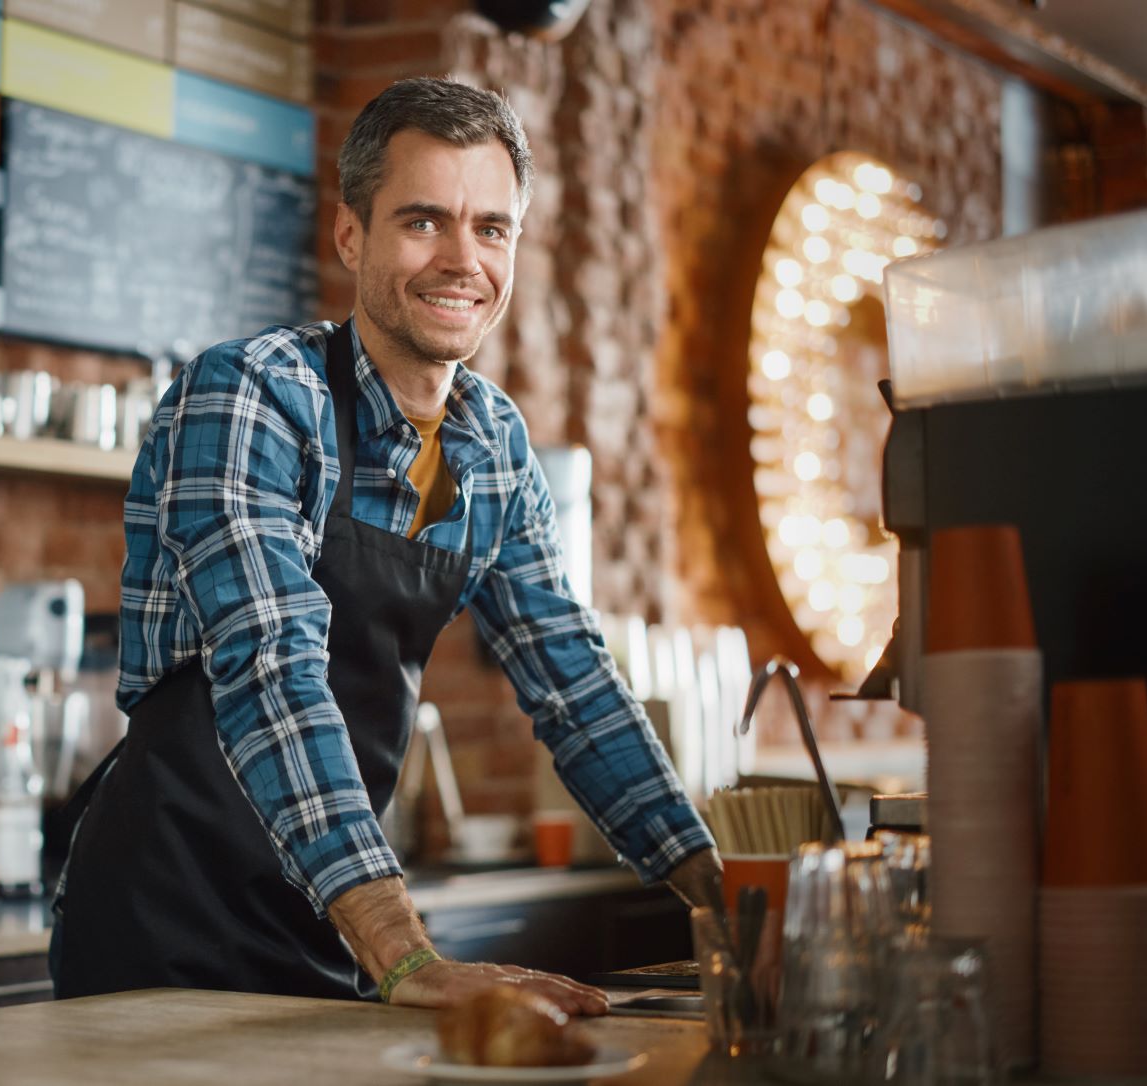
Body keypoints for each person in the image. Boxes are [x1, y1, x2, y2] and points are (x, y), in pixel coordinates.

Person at [52, 77, 722, 1012]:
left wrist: (730, 907)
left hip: (331, 922)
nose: (463, 259)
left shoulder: (492, 446)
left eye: (491, 228)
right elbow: (271, 670)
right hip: (167, 923)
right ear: (350, 235)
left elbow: (574, 683)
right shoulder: (251, 395)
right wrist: (405, 953)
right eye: (423, 222)